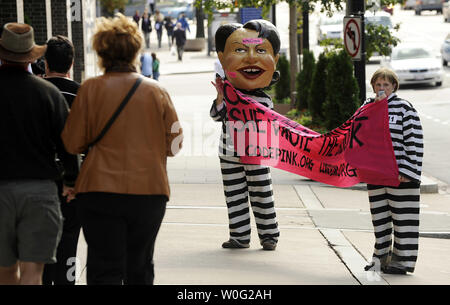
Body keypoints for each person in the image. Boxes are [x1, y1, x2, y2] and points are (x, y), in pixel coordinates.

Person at [61, 13, 183, 285]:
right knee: (140, 266)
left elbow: (72, 142)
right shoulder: (157, 91)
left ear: (102, 51)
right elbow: (175, 145)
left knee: (104, 267)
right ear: (136, 50)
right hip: (149, 192)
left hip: (99, 191)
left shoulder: (91, 89)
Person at [0, 22, 79, 285]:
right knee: (34, 272)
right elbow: (67, 145)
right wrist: (70, 180)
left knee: (6, 270)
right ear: (32, 57)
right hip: (40, 191)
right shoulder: (47, 94)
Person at [210, 20, 281, 250]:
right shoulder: (229, 94)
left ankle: (269, 235)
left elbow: (271, 123)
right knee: (234, 195)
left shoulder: (263, 99)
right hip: (229, 153)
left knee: (262, 194)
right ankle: (239, 236)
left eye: (260, 50)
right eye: (240, 50)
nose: (250, 58)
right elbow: (216, 115)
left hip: (256, 155)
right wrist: (221, 97)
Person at [363, 67, 423, 275]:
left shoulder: (405, 109)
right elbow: (359, 138)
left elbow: (414, 143)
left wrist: (408, 171)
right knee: (380, 220)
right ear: (373, 86)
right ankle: (379, 260)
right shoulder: (366, 108)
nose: (381, 88)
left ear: (394, 86)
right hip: (376, 175)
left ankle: (401, 262)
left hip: (401, 176)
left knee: (403, 220)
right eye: (378, 84)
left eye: (386, 85)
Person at [42, 35, 81, 285]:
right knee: (70, 246)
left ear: (45, 63)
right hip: (75, 186)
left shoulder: (37, 92)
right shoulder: (83, 95)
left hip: (42, 183)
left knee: (44, 250)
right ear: (72, 62)